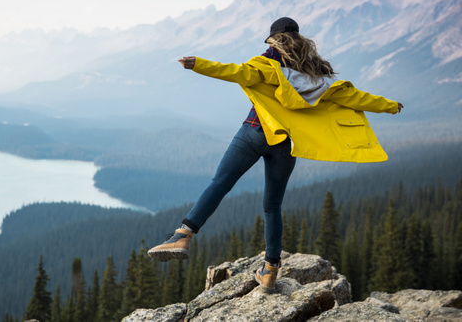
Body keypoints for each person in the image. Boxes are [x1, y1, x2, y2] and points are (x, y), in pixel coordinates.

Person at [147, 17, 403, 292]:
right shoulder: (317, 75)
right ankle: (269, 271)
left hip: (255, 131)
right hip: (286, 143)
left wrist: (198, 64)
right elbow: (353, 97)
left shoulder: (267, 64)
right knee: (272, 206)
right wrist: (389, 105)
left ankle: (183, 235)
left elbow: (235, 72)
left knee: (220, 183)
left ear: (273, 39)